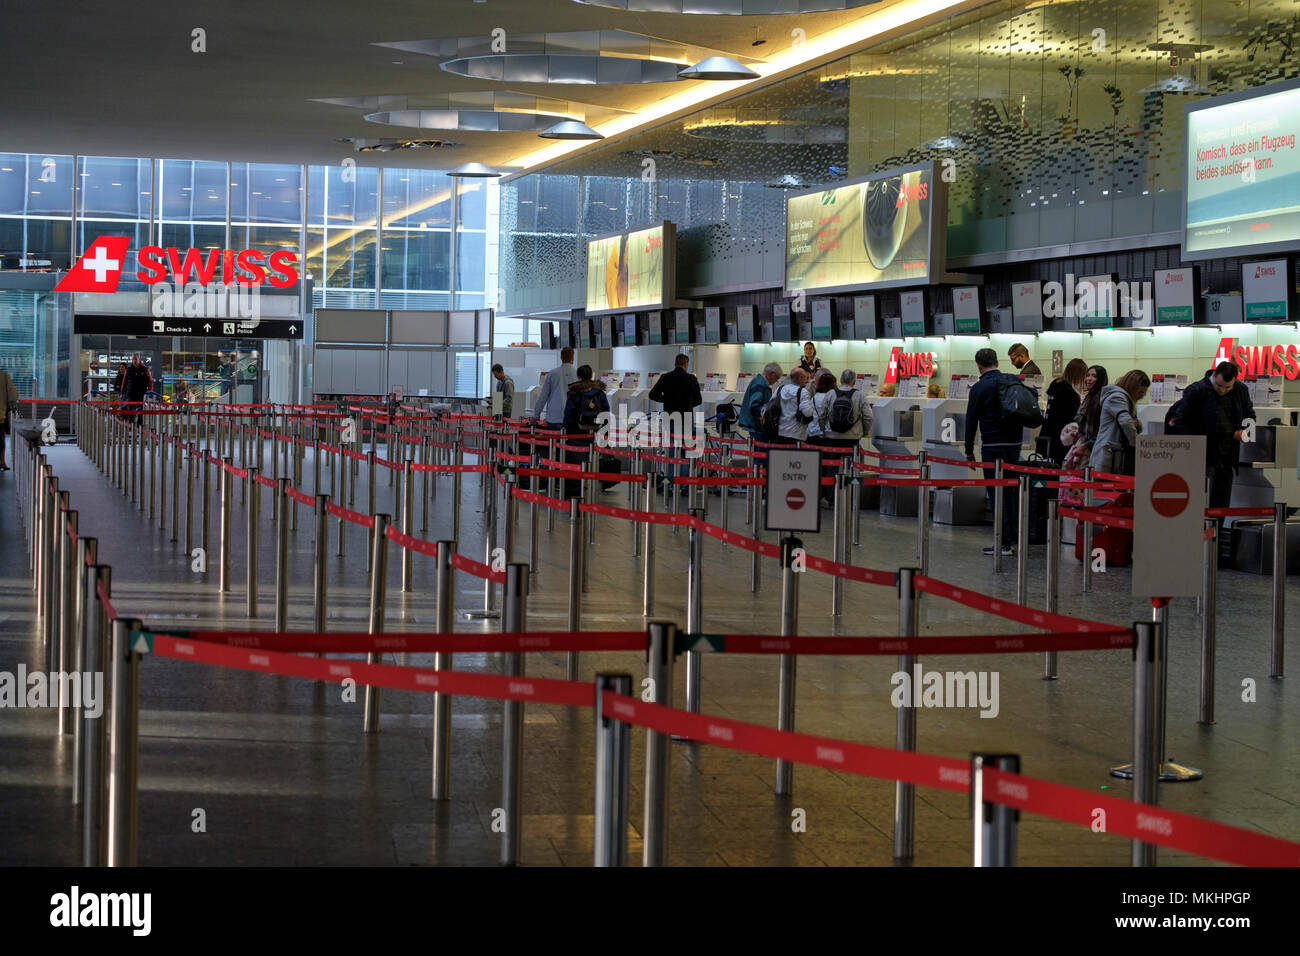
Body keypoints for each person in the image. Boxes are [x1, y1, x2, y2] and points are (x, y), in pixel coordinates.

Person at [1170, 361, 1255, 511]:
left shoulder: (1241, 389)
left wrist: (1246, 433)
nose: (1222, 390)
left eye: (1228, 387)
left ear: (1235, 380)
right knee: (1200, 505)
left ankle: (1218, 534)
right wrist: (1195, 445)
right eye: (1219, 385)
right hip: (1202, 458)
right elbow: (1180, 422)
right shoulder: (1196, 390)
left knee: (1221, 506)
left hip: (1227, 458)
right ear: (1214, 375)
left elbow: (1250, 417)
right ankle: (1202, 534)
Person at [964, 347, 1023, 556]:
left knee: (996, 493)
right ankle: (1014, 539)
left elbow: (971, 420)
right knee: (1011, 492)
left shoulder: (979, 388)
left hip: (991, 446)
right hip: (1014, 445)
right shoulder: (1013, 380)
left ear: (979, 365)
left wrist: (969, 450)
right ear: (997, 363)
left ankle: (1004, 542)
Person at [822, 367, 872, 504]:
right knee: (852, 469)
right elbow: (868, 416)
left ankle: (831, 499)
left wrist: (823, 430)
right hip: (852, 439)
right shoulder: (860, 395)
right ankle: (851, 499)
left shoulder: (831, 393)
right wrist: (864, 431)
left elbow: (821, 415)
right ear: (854, 382)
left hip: (832, 438)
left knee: (831, 468)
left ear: (841, 380)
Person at [562, 364, 610, 499]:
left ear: (578, 377)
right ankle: (587, 493)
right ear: (591, 375)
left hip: (574, 434)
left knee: (573, 464)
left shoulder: (574, 392)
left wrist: (567, 429)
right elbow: (606, 412)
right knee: (588, 463)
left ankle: (573, 495)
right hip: (591, 434)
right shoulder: (599, 392)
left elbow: (569, 414)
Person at [648, 353, 701, 474]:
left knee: (671, 452)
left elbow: (652, 394)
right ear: (686, 364)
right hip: (686, 419)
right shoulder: (691, 379)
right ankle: (683, 484)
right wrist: (687, 404)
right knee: (686, 451)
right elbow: (699, 399)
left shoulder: (665, 377)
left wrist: (666, 400)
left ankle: (671, 483)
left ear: (675, 363)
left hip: (670, 418)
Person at [1089, 370, 1149, 474]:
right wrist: (1138, 446)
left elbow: (1132, 422)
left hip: (1112, 455)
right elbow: (1126, 422)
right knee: (1104, 488)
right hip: (1107, 457)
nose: (1142, 396)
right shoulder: (1117, 397)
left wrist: (1137, 424)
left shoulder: (1124, 399)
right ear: (1133, 388)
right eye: (1141, 392)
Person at [804, 369, 839, 506]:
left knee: (815, 468)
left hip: (812, 436)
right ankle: (829, 497)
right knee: (829, 469)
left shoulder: (813, 397)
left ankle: (814, 496)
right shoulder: (832, 397)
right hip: (826, 436)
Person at [1044, 358, 1086, 463]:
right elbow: (1072, 416)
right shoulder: (1068, 391)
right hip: (1062, 436)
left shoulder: (1056, 383)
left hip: (1047, 431)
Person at [739, 362, 781, 443]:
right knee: (760, 453)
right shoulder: (760, 384)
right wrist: (766, 416)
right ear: (772, 374)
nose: (776, 381)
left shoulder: (759, 382)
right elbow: (754, 405)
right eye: (777, 378)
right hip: (756, 426)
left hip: (755, 425)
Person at [535, 347, 578, 427]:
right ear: (573, 357)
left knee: (553, 439)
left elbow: (543, 397)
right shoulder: (577, 374)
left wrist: (536, 416)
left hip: (553, 417)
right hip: (572, 416)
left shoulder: (552, 373)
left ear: (561, 357)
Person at [772, 367, 811, 444]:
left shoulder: (780, 389)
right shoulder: (803, 392)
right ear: (800, 378)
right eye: (806, 378)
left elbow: (771, 404)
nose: (807, 381)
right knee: (794, 456)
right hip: (796, 433)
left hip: (780, 431)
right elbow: (808, 413)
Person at [121, 353, 153, 427]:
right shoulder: (128, 369)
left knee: (141, 412)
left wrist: (150, 391)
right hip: (131, 393)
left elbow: (150, 381)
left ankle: (139, 427)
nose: (134, 361)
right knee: (131, 412)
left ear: (139, 359)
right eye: (133, 359)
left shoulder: (145, 369)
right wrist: (122, 392)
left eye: (135, 359)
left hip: (141, 393)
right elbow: (124, 382)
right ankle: (131, 427)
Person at [0, 364, 19, 471]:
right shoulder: (4, 376)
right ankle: (2, 461)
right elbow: (13, 395)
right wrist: (11, 404)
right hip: (0, 414)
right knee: (1, 438)